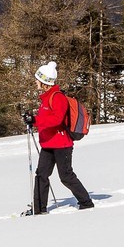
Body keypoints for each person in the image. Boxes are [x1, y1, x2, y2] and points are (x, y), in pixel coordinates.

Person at [23, 61, 95, 215]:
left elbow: (56, 120)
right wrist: (31, 119)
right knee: (41, 175)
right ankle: (39, 209)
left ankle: (86, 203)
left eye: (37, 79)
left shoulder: (57, 97)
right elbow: (46, 118)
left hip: (62, 144)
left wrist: (35, 121)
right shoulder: (45, 98)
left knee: (66, 176)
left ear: (44, 82)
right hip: (48, 144)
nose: (35, 82)